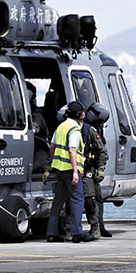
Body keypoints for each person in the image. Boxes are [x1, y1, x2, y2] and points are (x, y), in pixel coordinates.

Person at [46, 101, 89, 243]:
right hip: (70, 170)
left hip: (59, 169)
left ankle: (51, 233)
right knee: (77, 200)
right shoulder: (74, 129)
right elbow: (72, 150)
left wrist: (54, 161)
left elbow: (52, 147)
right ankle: (77, 232)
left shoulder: (61, 127)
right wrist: (76, 172)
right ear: (81, 115)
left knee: (58, 201)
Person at [83, 102, 113, 239]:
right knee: (89, 199)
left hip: (92, 169)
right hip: (84, 170)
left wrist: (100, 168)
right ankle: (94, 226)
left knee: (98, 199)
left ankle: (99, 226)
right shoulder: (84, 129)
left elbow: (102, 152)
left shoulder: (94, 130)